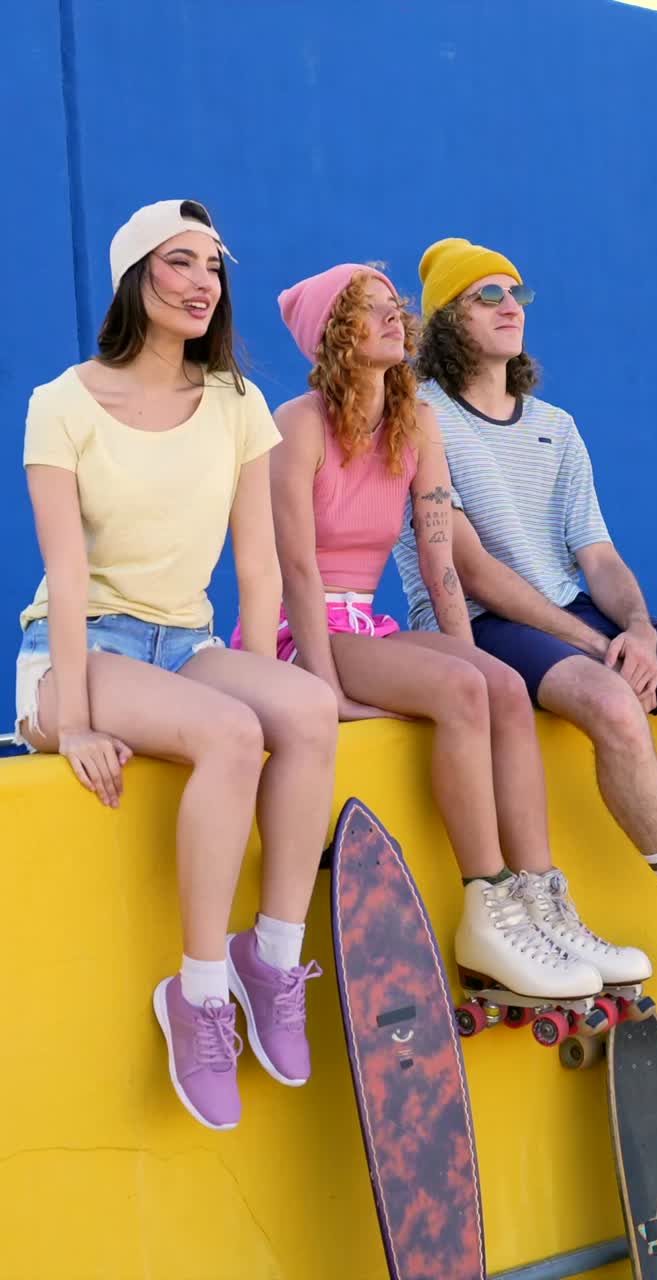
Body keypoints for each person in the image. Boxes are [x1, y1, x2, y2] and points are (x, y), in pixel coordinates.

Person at [231, 261, 650, 1001]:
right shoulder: (292, 426)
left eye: (397, 306)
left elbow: (439, 564)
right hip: (307, 632)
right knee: (461, 689)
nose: (396, 319)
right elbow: (293, 570)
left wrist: (471, 652)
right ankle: (486, 908)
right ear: (333, 333)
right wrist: (325, 690)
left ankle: (542, 904)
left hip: (371, 623)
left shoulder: (414, 421)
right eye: (372, 309)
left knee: (501, 686)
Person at [14, 199, 339, 1131]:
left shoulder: (236, 403)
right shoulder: (63, 404)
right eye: (179, 263)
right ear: (135, 279)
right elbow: (67, 576)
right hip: (77, 650)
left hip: (184, 646)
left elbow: (258, 565)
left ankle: (270, 959)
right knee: (232, 736)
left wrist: (257, 672)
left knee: (305, 710)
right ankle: (198, 996)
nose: (203, 283)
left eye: (214, 266)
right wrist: (72, 720)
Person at [393, 235, 657, 989]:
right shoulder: (421, 418)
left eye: (517, 294)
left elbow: (597, 556)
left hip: (574, 612)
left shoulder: (556, 426)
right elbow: (473, 570)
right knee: (612, 699)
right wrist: (594, 643)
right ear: (446, 318)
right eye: (489, 295)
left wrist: (636, 630)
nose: (512, 307)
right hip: (484, 623)